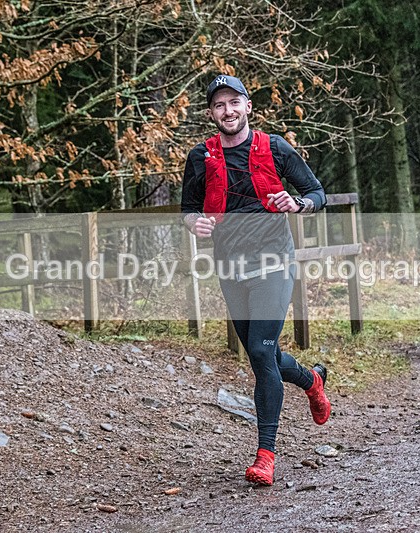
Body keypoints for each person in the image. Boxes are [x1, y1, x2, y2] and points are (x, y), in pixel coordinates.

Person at [181, 74, 331, 486]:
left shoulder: (275, 148)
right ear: (211, 113)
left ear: (248, 106)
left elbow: (317, 193)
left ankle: (265, 456)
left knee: (262, 353)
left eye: (234, 102)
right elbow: (188, 207)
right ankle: (312, 380)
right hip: (231, 269)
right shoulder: (200, 156)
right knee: (261, 353)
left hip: (274, 264)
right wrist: (195, 223)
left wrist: (296, 203)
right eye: (219, 105)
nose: (227, 110)